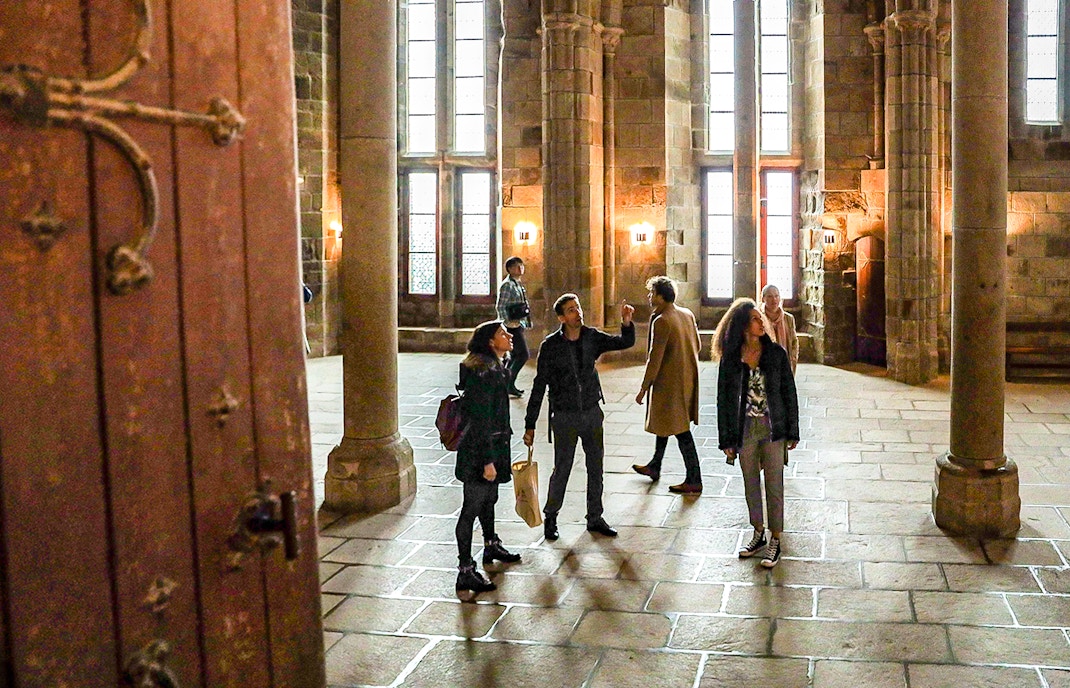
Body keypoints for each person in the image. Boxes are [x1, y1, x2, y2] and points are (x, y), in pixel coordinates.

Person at [523, 294, 635, 541]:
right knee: (562, 468)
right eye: (571, 310)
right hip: (565, 416)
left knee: (596, 466)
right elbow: (539, 386)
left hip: (591, 412)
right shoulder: (551, 346)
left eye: (578, 307)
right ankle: (551, 516)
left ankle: (595, 517)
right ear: (561, 318)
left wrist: (626, 322)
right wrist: (530, 424)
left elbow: (624, 342)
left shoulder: (591, 337)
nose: (578, 313)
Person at [713, 298, 800, 569]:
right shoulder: (731, 359)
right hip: (745, 428)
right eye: (755, 319)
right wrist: (726, 439)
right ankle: (758, 532)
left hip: (773, 427)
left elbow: (789, 392)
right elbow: (723, 400)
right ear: (742, 325)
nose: (761, 322)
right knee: (750, 481)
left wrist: (793, 431)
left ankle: (776, 538)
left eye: (760, 318)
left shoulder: (776, 354)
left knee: (774, 483)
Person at [454, 320, 522, 595]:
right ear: (491, 342)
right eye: (503, 333)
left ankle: (491, 544)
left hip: (493, 444)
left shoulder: (494, 367)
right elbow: (480, 419)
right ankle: (465, 570)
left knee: (489, 499)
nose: (509, 336)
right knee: (471, 508)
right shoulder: (483, 372)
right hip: (480, 451)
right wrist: (487, 461)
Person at [632, 276, 703, 494]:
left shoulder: (662, 321)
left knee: (681, 430)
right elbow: (698, 345)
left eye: (652, 293)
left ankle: (694, 478)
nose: (649, 296)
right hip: (685, 379)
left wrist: (643, 388)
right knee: (665, 422)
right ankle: (655, 465)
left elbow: (655, 358)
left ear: (661, 297)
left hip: (670, 384)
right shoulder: (686, 314)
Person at [496, 256, 531, 398]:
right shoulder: (507, 285)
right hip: (511, 326)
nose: (520, 268)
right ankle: (508, 383)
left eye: (522, 266)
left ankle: (505, 384)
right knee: (523, 354)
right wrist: (506, 324)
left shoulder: (517, 283)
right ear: (510, 269)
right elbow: (501, 306)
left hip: (518, 323)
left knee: (514, 356)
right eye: (517, 266)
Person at [759, 284, 798, 375]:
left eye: (776, 296)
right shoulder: (759, 318)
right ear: (763, 298)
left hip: (784, 363)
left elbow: (794, 341)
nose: (774, 299)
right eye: (770, 296)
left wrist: (793, 359)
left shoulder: (788, 318)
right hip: (764, 364)